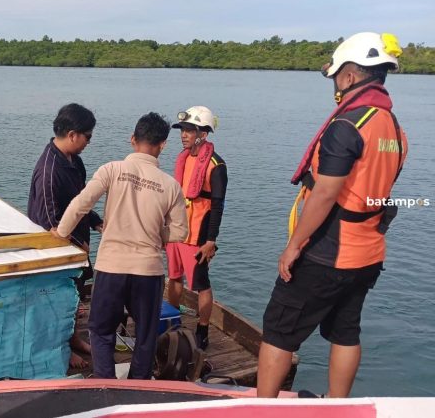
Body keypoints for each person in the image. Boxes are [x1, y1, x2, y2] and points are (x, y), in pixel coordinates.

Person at [257, 32, 408, 398]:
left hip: (328, 251)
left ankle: (263, 407)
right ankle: (338, 406)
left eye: (336, 75)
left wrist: (294, 245)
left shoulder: (348, 124)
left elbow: (325, 192)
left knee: (279, 331)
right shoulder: (394, 128)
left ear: (351, 76)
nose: (334, 85)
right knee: (345, 331)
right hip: (368, 252)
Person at [52, 112, 189, 379]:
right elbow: (181, 231)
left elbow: (81, 204)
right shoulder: (171, 186)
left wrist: (61, 232)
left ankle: (106, 386)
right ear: (162, 145)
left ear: (132, 139)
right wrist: (155, 232)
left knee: (102, 331)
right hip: (148, 271)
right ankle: (138, 387)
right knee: (146, 335)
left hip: (111, 266)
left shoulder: (112, 169)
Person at [27, 102, 103, 369]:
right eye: (87, 137)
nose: (88, 143)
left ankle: (72, 339)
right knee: (56, 302)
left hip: (77, 248)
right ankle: (59, 348)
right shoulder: (49, 171)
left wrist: (96, 223)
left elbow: (81, 200)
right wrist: (76, 245)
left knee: (74, 299)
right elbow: (50, 224)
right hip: (58, 252)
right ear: (72, 134)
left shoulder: (74, 161)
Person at [165, 106, 227, 350]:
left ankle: (202, 329)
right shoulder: (183, 159)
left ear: (204, 133)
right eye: (183, 130)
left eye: (190, 130)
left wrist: (210, 240)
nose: (184, 135)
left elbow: (218, 206)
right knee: (174, 277)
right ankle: (172, 319)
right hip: (176, 230)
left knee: (201, 283)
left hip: (197, 234)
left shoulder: (216, 165)